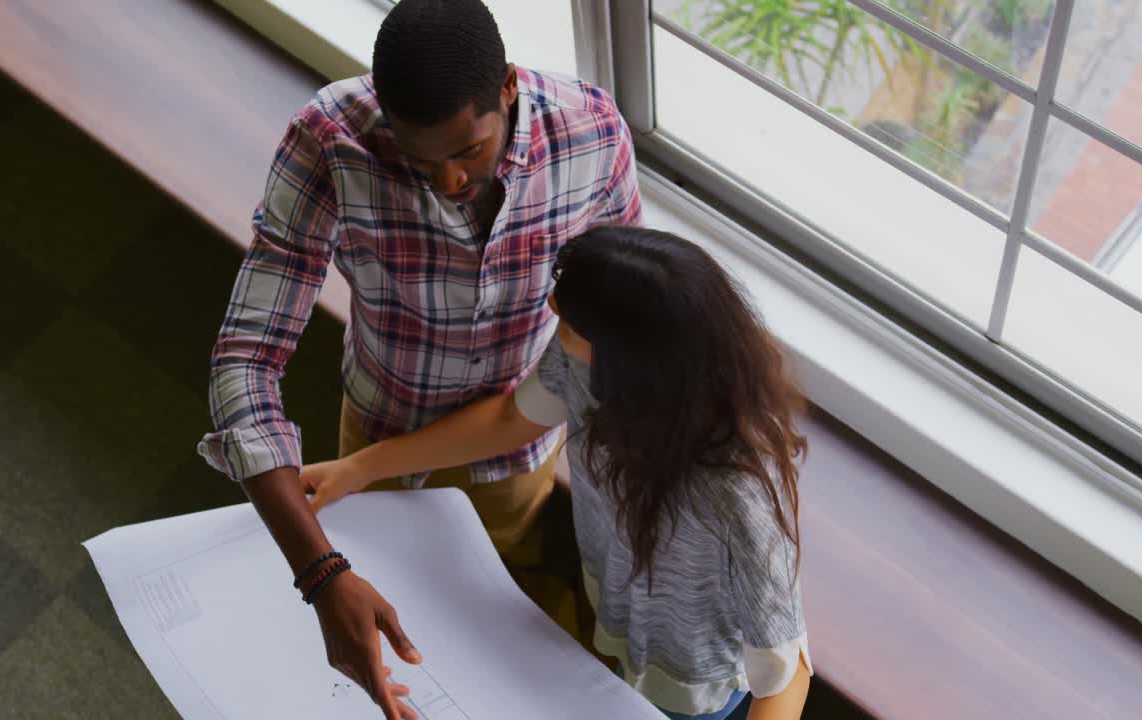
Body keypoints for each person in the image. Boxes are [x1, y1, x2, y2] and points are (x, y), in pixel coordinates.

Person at [196, 0, 641, 717]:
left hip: (517, 441)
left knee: (496, 587)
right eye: (419, 159)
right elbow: (244, 359)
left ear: (508, 89)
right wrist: (319, 573)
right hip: (379, 423)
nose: (449, 185)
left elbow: (617, 304)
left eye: (468, 152)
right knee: (377, 591)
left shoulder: (593, 134)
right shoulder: (329, 141)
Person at [301, 226, 813, 719]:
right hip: (616, 618)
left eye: (570, 321)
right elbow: (510, 420)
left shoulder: (736, 488)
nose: (551, 311)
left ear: (635, 356)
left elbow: (788, 673)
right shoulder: (585, 361)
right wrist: (361, 466)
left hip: (686, 687)